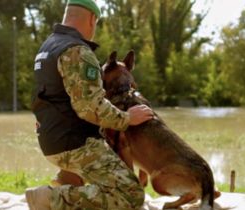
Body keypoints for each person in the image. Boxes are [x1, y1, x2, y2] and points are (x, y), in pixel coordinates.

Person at [26, 0, 154, 209]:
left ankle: (66, 180)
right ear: (93, 19)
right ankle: (51, 198)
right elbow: (89, 107)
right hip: (77, 143)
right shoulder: (77, 51)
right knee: (131, 195)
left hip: (51, 139)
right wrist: (128, 118)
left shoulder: (48, 46)